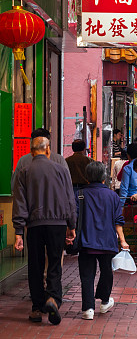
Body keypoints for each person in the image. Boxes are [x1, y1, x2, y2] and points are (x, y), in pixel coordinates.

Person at [12, 137, 77, 325]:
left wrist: (18, 231)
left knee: (35, 265)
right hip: (58, 224)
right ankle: (53, 299)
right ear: (48, 150)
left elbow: (20, 202)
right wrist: (71, 225)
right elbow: (69, 200)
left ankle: (37, 307)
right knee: (55, 263)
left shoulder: (24, 171)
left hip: (34, 225)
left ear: (32, 152)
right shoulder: (61, 170)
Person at [77, 161, 129, 320]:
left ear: (87, 177)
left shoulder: (79, 194)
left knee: (87, 275)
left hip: (86, 241)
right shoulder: (113, 196)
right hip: (107, 241)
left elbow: (74, 217)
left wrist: (71, 234)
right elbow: (118, 220)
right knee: (107, 271)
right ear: (103, 177)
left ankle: (88, 309)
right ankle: (105, 300)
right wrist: (122, 240)